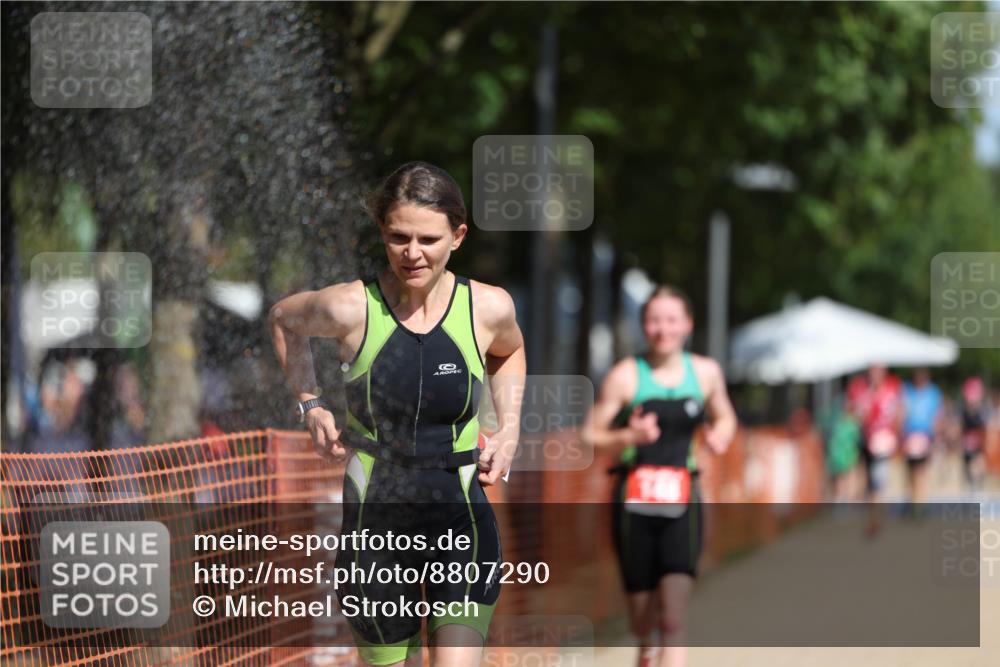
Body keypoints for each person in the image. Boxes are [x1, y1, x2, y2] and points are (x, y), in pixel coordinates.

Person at [269, 162, 526, 667]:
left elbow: (509, 352)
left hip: (460, 515)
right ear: (382, 234)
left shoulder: (488, 308)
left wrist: (511, 426)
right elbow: (283, 319)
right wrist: (310, 404)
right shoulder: (349, 307)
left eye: (428, 239)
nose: (412, 253)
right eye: (397, 237)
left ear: (458, 236)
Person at [582, 286, 737, 667]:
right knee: (642, 619)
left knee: (673, 617)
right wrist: (629, 436)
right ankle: (645, 649)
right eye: (653, 320)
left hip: (684, 501)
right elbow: (589, 435)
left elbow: (726, 415)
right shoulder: (625, 376)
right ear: (643, 325)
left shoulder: (705, 373)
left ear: (687, 324)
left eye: (671, 320)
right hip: (633, 504)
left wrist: (721, 434)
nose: (662, 329)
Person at [846, 365, 902, 536]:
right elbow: (852, 411)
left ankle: (876, 518)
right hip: (866, 440)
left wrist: (895, 434)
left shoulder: (892, 388)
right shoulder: (862, 390)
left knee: (878, 481)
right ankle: (874, 514)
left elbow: (899, 412)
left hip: (883, 442)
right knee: (870, 482)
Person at [900, 369, 943, 506]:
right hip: (909, 437)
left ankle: (920, 503)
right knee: (910, 472)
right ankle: (912, 500)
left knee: (921, 471)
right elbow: (901, 412)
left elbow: (938, 416)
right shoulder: (907, 391)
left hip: (925, 437)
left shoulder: (933, 393)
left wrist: (936, 437)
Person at [960, 377, 988, 493]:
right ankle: (972, 487)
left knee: (979, 464)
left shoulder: (982, 412)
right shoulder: (965, 412)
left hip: (978, 442)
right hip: (968, 443)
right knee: (970, 466)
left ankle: (977, 486)